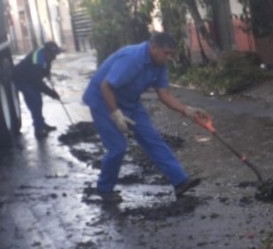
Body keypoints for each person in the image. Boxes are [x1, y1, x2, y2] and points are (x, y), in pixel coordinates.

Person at [82, 32, 208, 202]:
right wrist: (116, 114)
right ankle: (104, 189)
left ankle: (180, 181)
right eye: (166, 53)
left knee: (152, 138)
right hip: (103, 100)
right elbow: (106, 86)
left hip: (130, 102)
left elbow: (164, 94)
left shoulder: (160, 64)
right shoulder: (132, 58)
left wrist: (187, 110)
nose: (169, 58)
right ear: (153, 48)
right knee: (117, 147)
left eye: (171, 53)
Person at [12, 41, 62, 139]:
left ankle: (41, 124)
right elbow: (37, 82)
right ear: (47, 52)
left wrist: (47, 73)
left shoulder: (46, 54)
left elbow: (47, 65)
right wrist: (52, 93)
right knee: (35, 101)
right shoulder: (37, 60)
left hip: (30, 78)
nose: (54, 57)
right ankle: (38, 129)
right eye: (53, 55)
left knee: (37, 101)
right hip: (21, 79)